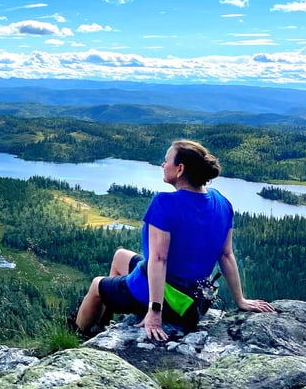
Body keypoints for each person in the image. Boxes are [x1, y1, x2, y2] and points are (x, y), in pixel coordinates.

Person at [74, 139, 274, 341]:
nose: (162, 164)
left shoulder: (165, 203)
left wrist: (155, 311)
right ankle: (105, 322)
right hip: (194, 302)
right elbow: (226, 255)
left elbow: (159, 259)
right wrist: (240, 300)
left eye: (166, 160)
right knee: (120, 256)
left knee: (96, 285)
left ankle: (79, 336)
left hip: (169, 299)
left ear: (180, 169)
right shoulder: (222, 202)